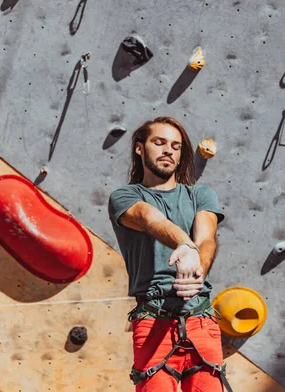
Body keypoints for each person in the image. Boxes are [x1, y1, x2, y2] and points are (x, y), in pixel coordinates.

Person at [108, 117, 232, 392]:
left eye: (175, 146)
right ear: (139, 149)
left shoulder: (200, 194)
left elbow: (207, 238)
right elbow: (151, 220)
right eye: (159, 142)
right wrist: (184, 245)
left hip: (201, 318)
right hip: (153, 320)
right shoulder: (125, 196)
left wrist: (197, 266)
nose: (168, 151)